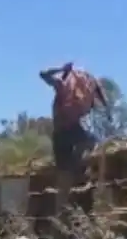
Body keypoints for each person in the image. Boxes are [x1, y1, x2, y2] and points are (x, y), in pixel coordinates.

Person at [39, 62, 110, 210]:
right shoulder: (63, 86)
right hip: (69, 131)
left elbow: (44, 74)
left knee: (64, 176)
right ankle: (78, 167)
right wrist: (107, 108)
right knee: (92, 142)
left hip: (60, 134)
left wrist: (61, 69)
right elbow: (43, 74)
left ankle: (62, 207)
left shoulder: (62, 85)